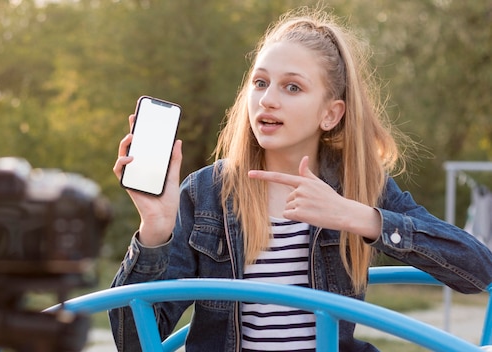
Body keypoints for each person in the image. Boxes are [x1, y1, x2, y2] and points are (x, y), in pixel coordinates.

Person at [109, 7, 492, 352]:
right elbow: (133, 342)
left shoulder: (357, 184)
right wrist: (154, 231)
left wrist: (357, 216)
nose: (268, 100)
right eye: (260, 83)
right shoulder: (206, 192)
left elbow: (478, 269)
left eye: (292, 87)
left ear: (331, 113)